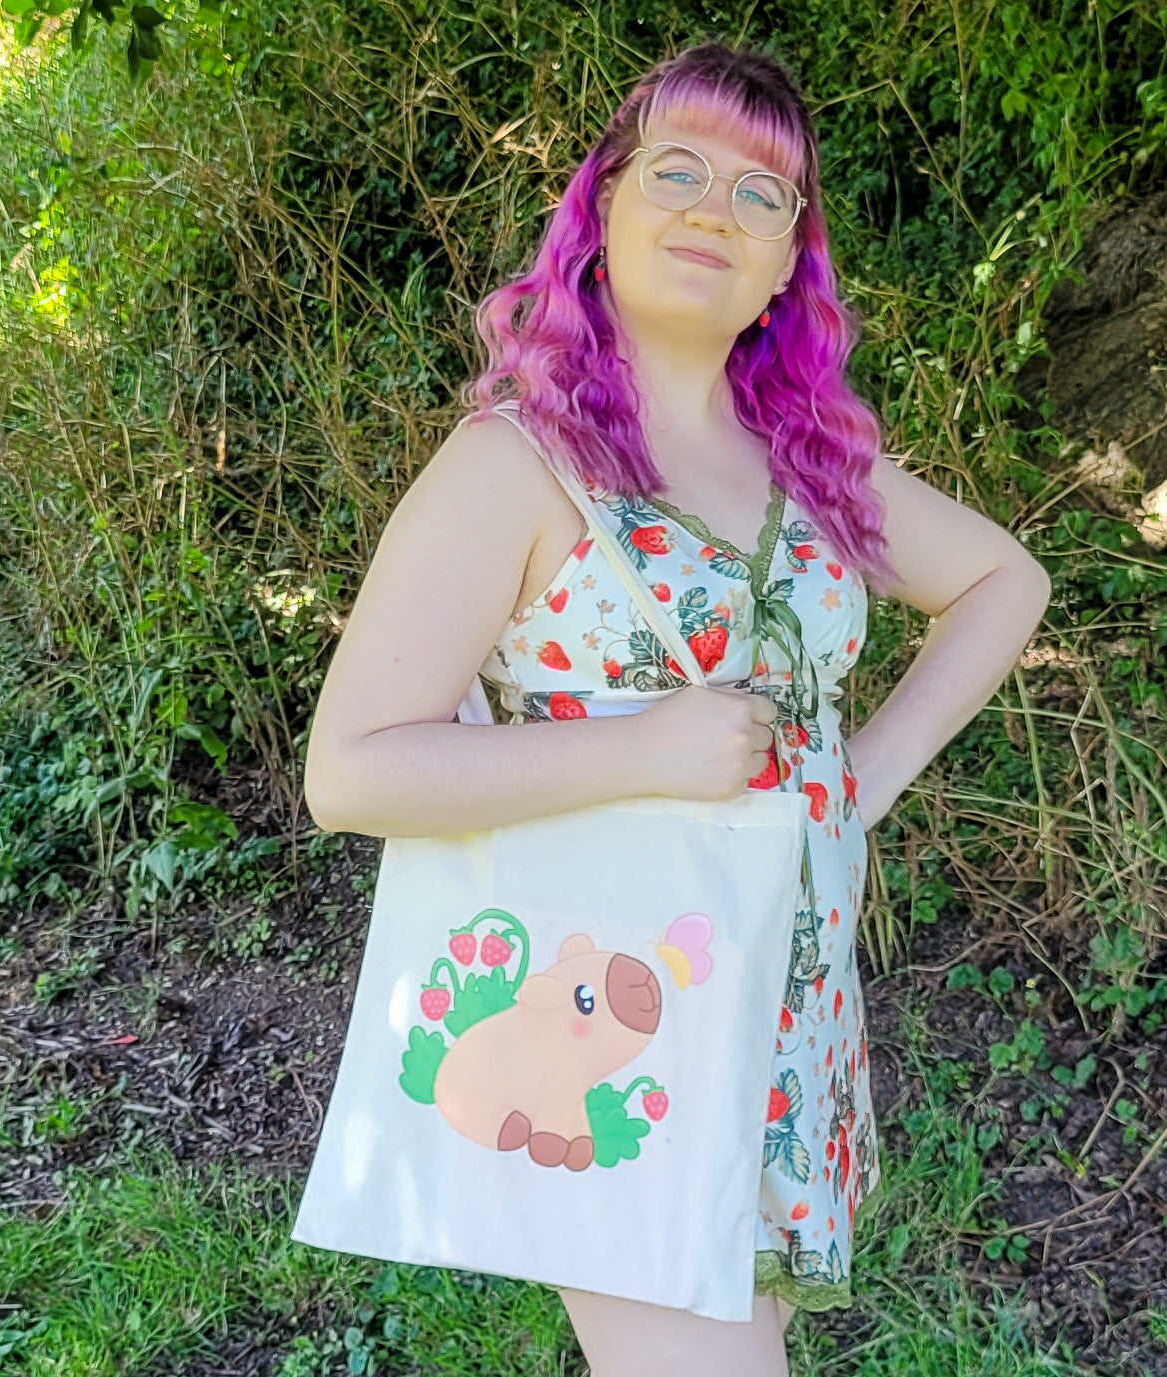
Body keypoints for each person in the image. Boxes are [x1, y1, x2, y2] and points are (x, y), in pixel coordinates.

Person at [303, 39, 1051, 1377]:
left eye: (762, 193)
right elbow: (351, 770)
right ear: (598, 214)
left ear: (788, 263)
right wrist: (645, 745)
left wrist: (860, 777)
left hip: (785, 1009)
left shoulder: (810, 466)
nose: (715, 208)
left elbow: (1004, 578)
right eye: (679, 170)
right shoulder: (516, 464)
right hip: (595, 1020)